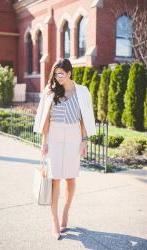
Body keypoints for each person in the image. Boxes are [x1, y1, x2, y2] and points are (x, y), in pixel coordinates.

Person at [33, 58, 96, 240]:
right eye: (55, 74)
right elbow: (46, 119)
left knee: (70, 178)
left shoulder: (82, 92)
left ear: (69, 73)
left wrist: (83, 140)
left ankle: (65, 212)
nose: (57, 77)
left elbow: (84, 118)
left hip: (74, 136)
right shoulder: (51, 91)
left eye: (61, 73)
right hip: (54, 136)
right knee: (55, 179)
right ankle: (54, 221)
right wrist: (44, 142)